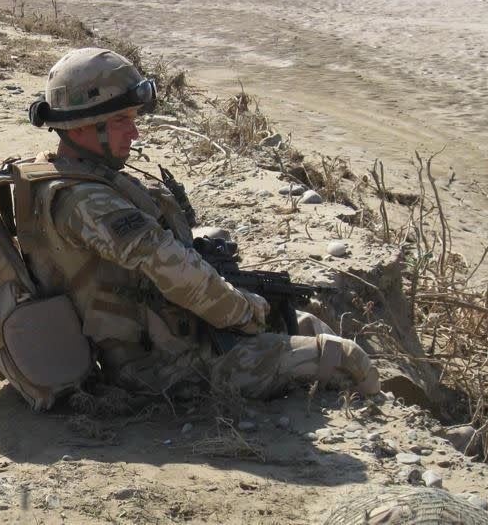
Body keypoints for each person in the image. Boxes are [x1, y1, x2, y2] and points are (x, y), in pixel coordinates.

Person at [20, 47, 380, 400]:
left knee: (303, 323)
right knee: (344, 359)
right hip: (156, 366)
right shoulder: (88, 201)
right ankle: (383, 415)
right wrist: (244, 311)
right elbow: (170, 265)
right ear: (81, 126)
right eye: (120, 121)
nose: (134, 133)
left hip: (164, 334)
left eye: (132, 119)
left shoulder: (62, 175)